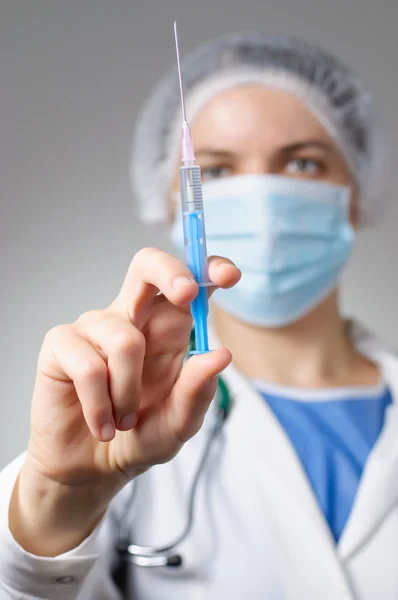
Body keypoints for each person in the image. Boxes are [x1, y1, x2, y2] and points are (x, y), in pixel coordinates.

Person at [0, 31, 396, 600]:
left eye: (304, 162)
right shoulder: (124, 414)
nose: (262, 197)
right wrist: (57, 502)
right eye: (213, 171)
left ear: (357, 192)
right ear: (171, 201)